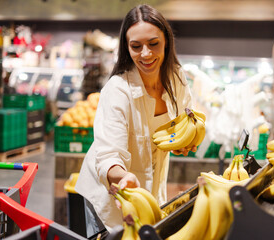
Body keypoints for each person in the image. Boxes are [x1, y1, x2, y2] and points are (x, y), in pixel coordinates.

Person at [75, 4, 195, 235]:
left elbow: (185, 119)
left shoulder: (177, 78)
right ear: (126, 48)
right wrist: (122, 176)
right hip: (111, 195)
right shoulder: (118, 91)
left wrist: (183, 142)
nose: (146, 54)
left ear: (166, 41)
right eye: (136, 46)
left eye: (153, 43)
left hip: (151, 187)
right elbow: (109, 155)